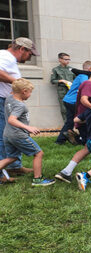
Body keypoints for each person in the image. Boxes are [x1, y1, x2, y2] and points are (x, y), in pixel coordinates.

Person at [0, 79, 55, 186]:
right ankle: (38, 180)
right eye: (30, 92)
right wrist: (28, 128)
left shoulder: (9, 98)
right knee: (38, 153)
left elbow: (14, 91)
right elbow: (12, 119)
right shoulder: (20, 106)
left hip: (7, 134)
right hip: (18, 135)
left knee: (13, 157)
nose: (30, 95)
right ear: (24, 91)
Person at [0, 37, 37, 182]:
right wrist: (17, 83)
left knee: (10, 134)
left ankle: (14, 166)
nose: (29, 58)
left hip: (6, 101)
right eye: (30, 54)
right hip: (1, 101)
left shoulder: (8, 58)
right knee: (4, 136)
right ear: (22, 49)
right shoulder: (6, 57)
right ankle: (2, 175)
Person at [55, 60, 91, 145]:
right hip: (73, 101)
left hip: (68, 100)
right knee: (81, 119)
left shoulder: (80, 75)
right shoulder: (84, 77)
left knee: (70, 121)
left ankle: (60, 140)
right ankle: (83, 139)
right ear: (90, 69)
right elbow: (84, 87)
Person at [50, 52, 75, 125]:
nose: (68, 61)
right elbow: (52, 81)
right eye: (66, 59)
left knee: (73, 108)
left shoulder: (71, 69)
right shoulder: (56, 69)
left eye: (69, 59)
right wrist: (61, 80)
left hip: (72, 91)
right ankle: (67, 126)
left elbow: (76, 79)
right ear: (60, 60)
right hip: (62, 92)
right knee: (64, 109)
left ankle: (74, 125)